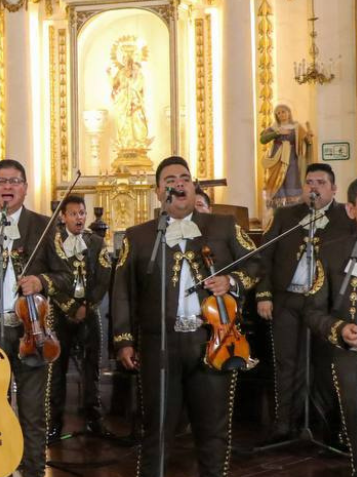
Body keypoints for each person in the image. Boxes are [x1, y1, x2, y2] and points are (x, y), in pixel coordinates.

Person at [112, 156, 264, 477]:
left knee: (212, 430)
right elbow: (123, 291)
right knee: (157, 429)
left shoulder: (223, 226)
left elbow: (257, 262)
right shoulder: (138, 236)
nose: (178, 183)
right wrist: (124, 341)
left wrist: (232, 282)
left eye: (184, 178)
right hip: (158, 345)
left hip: (213, 341)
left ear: (194, 187)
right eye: (170, 179)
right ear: (158, 192)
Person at [0, 159, 72, 477]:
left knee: (32, 412)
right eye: (0, 181)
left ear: (25, 188)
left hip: (32, 333)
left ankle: (32, 470)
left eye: (14, 181)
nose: (7, 187)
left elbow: (67, 276)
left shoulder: (44, 225)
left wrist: (41, 281)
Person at [254, 163, 355, 445]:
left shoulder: (345, 217)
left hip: (327, 308)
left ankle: (330, 428)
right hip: (288, 300)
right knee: (287, 362)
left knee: (325, 365)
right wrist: (264, 294)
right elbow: (265, 255)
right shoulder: (286, 215)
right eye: (309, 182)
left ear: (333, 188)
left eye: (321, 182)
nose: (314, 187)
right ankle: (285, 423)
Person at [301, 177, 357, 476]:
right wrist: (340, 329)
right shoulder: (332, 252)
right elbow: (312, 310)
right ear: (351, 209)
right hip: (351, 358)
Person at [47, 194, 112, 441]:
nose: (79, 218)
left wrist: (88, 305)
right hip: (61, 312)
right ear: (63, 217)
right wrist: (68, 306)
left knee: (92, 367)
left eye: (82, 213)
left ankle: (94, 419)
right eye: (73, 213)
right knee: (57, 369)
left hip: (89, 311)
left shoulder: (95, 243)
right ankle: (54, 422)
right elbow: (49, 276)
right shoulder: (53, 242)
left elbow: (104, 276)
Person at [260, 104, 313, 210]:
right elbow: (263, 139)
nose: (281, 114)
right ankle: (278, 209)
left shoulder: (297, 127)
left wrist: (308, 136)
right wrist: (277, 132)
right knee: (276, 181)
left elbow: (307, 143)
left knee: (292, 179)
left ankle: (292, 208)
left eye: (283, 111)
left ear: (289, 113)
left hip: (292, 157)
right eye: (278, 113)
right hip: (276, 158)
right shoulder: (274, 127)